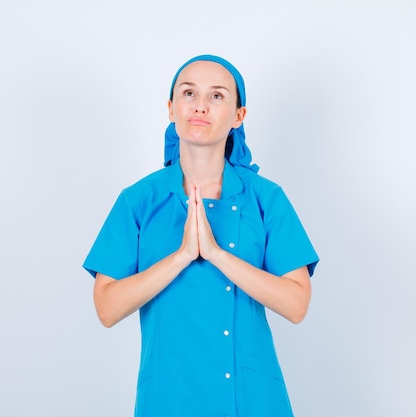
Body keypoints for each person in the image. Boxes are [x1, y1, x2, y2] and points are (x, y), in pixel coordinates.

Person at [83, 54, 319, 417]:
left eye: (217, 96)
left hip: (251, 397)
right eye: (189, 93)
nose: (201, 106)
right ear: (171, 108)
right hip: (169, 397)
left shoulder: (265, 198)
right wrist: (180, 256)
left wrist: (216, 254)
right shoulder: (139, 200)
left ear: (239, 116)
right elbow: (107, 308)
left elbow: (297, 304)